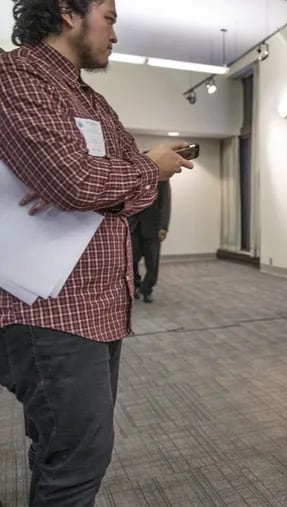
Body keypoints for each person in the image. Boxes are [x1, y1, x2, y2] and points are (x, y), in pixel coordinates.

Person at [0, 0, 193, 504]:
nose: (115, 33)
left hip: (99, 306)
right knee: (80, 456)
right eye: (109, 17)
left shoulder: (91, 100)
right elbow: (79, 181)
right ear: (68, 12)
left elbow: (118, 190)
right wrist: (138, 170)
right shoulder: (16, 76)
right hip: (49, 307)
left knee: (62, 446)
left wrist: (103, 183)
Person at [130, 180, 171, 303]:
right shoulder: (133, 174)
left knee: (152, 263)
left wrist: (163, 226)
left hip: (153, 228)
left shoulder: (162, 177)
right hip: (133, 227)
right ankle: (135, 285)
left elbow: (165, 202)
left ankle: (147, 290)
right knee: (131, 260)